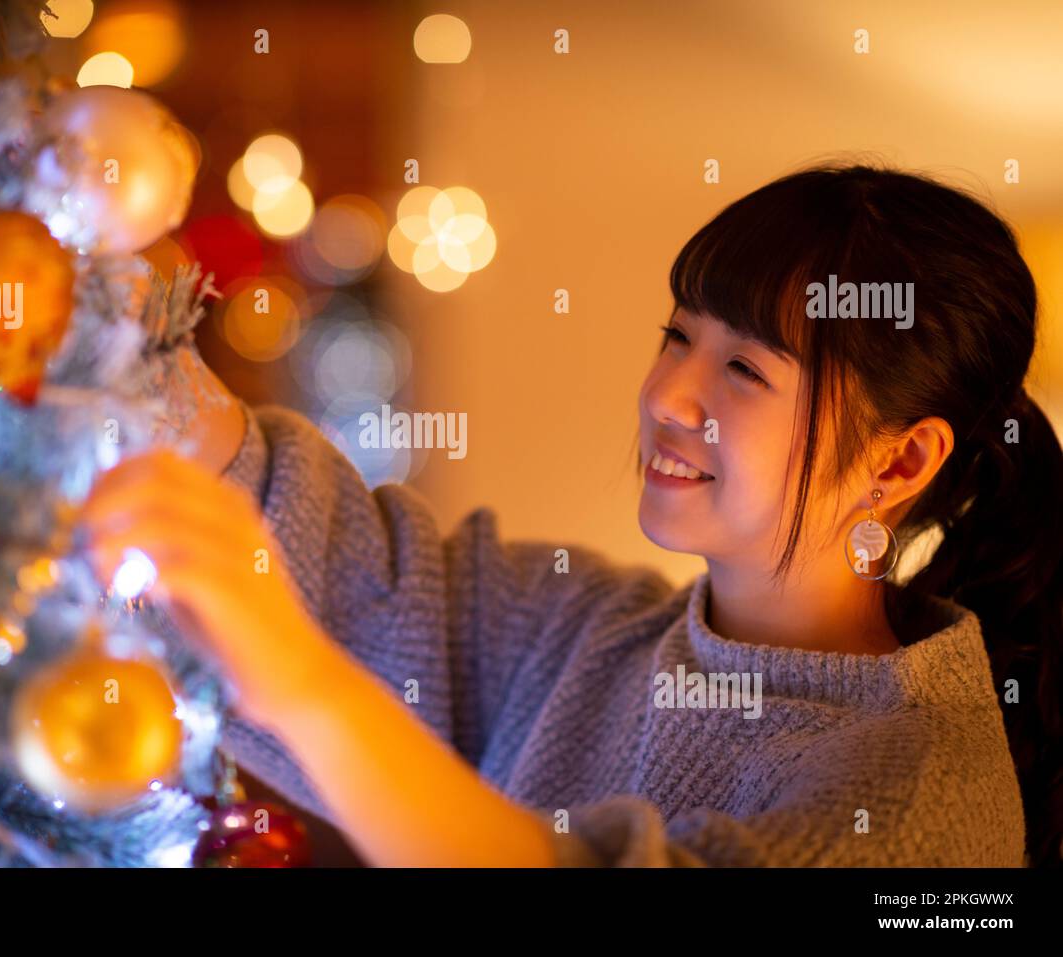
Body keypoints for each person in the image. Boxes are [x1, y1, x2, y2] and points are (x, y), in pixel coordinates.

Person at [80, 164, 1062, 867]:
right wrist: (124, 312)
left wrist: (299, 682)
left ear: (899, 461)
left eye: (744, 370)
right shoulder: (589, 631)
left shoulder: (917, 803)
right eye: (676, 335)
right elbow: (322, 541)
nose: (668, 397)